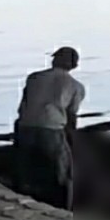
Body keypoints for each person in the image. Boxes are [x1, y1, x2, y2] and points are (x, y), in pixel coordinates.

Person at [13, 46, 86, 210]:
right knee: (63, 173)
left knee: (25, 168)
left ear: (54, 61)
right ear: (75, 65)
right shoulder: (76, 86)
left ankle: (23, 196)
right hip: (51, 130)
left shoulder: (34, 78)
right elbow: (71, 117)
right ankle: (64, 208)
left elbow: (24, 104)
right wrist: (72, 141)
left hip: (25, 127)